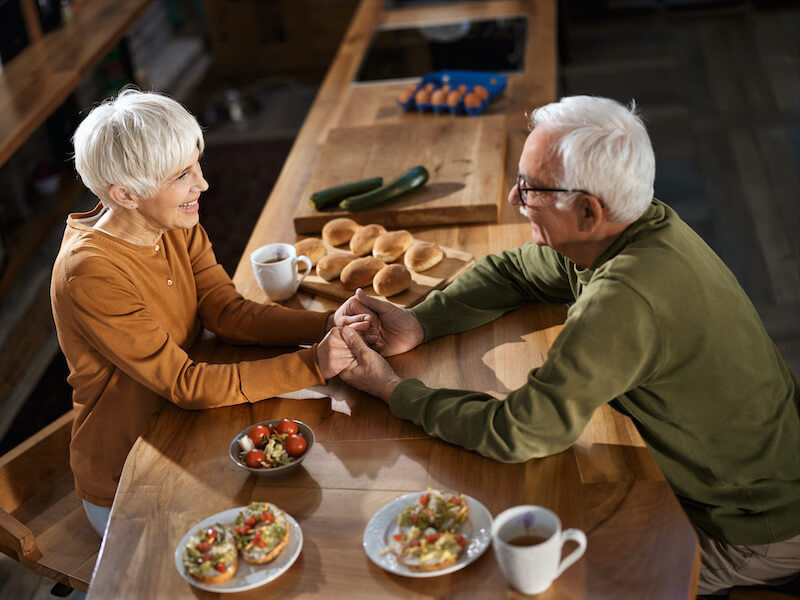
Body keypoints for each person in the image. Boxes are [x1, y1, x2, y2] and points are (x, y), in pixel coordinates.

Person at [336, 96, 800, 596]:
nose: (515, 199)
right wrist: (420, 323)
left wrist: (392, 389)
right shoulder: (633, 225)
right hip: (755, 479)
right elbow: (512, 270)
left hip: (751, 529)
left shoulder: (624, 298)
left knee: (534, 583)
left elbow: (519, 432)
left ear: (587, 210)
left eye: (530, 188)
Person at [51, 89, 363, 538]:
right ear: (126, 194)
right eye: (183, 175)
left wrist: (328, 323)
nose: (203, 184)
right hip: (132, 473)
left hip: (193, 430)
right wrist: (313, 363)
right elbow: (185, 384)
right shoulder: (91, 273)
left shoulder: (171, 221)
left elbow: (227, 311)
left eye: (198, 163)